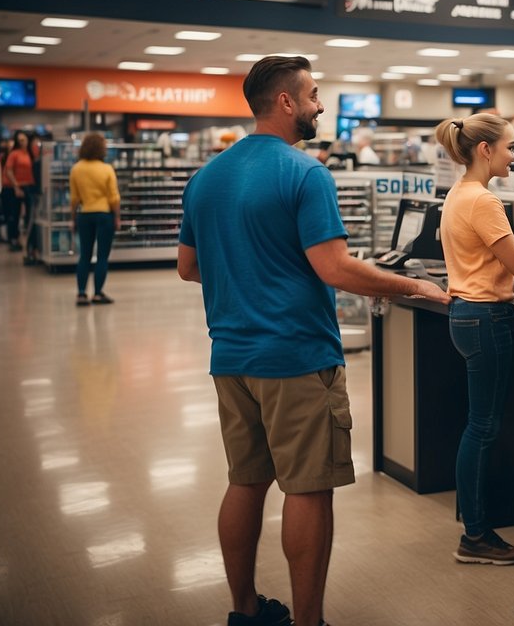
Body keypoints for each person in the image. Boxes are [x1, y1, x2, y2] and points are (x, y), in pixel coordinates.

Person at [178, 56, 450, 626]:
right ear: (285, 102)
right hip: (297, 357)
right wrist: (416, 286)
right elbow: (335, 269)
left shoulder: (206, 177)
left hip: (230, 357)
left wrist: (249, 273)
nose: (320, 105)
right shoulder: (305, 174)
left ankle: (246, 610)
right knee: (307, 490)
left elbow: (188, 267)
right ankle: (308, 621)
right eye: (314, 94)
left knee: (245, 482)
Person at [434, 112, 514, 566]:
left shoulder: (458, 194)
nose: (513, 155)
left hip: (465, 314)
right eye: (510, 147)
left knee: (478, 426)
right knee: (482, 428)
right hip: (485, 318)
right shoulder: (483, 201)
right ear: (486, 150)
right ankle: (476, 535)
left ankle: (476, 529)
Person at [69, 132, 121, 305]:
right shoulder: (106, 169)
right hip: (104, 215)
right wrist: (117, 217)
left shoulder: (76, 169)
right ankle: (98, 293)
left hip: (84, 215)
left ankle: (81, 294)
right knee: (102, 256)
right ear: (100, 148)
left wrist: (73, 219)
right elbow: (114, 197)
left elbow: (74, 198)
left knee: (84, 255)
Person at [4, 131, 39, 262]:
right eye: (20, 140)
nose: (22, 142)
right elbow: (9, 170)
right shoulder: (14, 154)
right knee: (15, 214)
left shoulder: (31, 153)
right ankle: (14, 239)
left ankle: (31, 246)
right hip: (18, 186)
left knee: (31, 217)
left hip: (30, 186)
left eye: (24, 140)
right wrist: (16, 186)